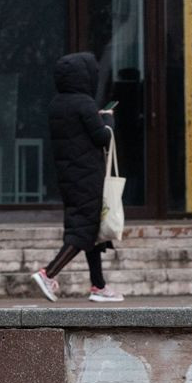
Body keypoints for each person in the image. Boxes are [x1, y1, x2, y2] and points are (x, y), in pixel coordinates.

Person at [31, 52, 123, 303]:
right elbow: (102, 137)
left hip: (68, 175)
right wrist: (107, 120)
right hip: (87, 176)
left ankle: (99, 286)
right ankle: (48, 273)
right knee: (82, 231)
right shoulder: (84, 103)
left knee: (88, 228)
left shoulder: (57, 104)